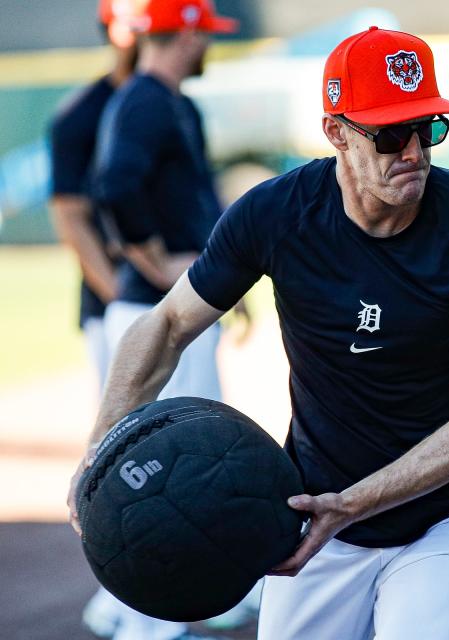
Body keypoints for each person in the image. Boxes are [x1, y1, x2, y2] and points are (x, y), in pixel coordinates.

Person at [69, 25, 449, 640]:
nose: (414, 153)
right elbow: (164, 326)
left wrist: (352, 504)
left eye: (428, 129)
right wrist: (99, 456)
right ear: (336, 133)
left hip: (447, 517)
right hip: (317, 516)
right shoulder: (275, 214)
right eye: (391, 133)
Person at [86, 1, 248, 638]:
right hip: (157, 309)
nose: (207, 44)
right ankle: (152, 617)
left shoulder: (173, 102)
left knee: (180, 453)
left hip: (174, 303)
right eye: (203, 32)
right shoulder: (147, 101)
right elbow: (114, 187)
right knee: (170, 464)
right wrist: (159, 265)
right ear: (183, 31)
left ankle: (131, 605)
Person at [48, 1, 137, 636]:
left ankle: (125, 599)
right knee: (123, 450)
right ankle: (121, 598)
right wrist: (122, 300)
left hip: (142, 304)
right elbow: (70, 217)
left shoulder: (161, 101)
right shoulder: (82, 112)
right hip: (116, 308)